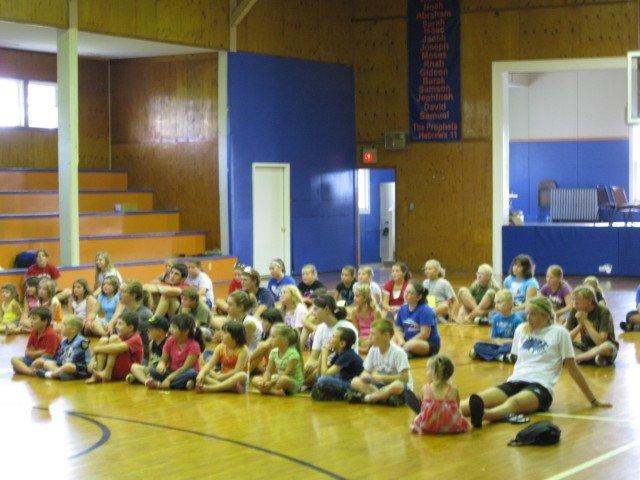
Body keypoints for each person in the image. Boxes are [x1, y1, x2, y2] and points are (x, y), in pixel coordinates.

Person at [461, 297, 611, 428]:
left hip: (541, 387)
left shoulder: (560, 333)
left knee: (514, 403)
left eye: (532, 314)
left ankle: (485, 415)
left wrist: (593, 400)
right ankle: (446, 410)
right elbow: (516, 358)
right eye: (527, 313)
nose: (528, 318)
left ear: (545, 315)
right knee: (477, 399)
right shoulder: (521, 329)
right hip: (515, 382)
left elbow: (573, 369)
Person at [346, 319, 412, 406]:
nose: (369, 337)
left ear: (386, 336)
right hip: (381, 387)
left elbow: (404, 378)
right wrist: (365, 376)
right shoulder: (373, 350)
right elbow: (365, 371)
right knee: (355, 381)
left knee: (397, 385)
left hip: (398, 389)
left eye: (373, 334)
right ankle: (383, 399)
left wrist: (380, 377)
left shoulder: (398, 352)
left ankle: (369, 398)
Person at [304, 294, 358, 385]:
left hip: (341, 369)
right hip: (324, 364)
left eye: (316, 309)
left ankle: (304, 384)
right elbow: (313, 358)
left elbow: (346, 359)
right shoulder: (320, 328)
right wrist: (307, 367)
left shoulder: (346, 328)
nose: (312, 312)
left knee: (317, 377)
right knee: (300, 372)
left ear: (326, 309)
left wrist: (318, 364)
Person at [410, 355, 470, 434]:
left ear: (434, 373)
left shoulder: (425, 389)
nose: (426, 372)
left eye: (427, 369)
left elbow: (422, 408)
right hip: (452, 427)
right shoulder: (454, 390)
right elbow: (458, 409)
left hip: (428, 426)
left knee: (417, 417)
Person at [144, 314, 203, 390]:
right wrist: (161, 365)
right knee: (153, 370)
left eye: (174, 328)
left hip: (184, 373)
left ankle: (161, 385)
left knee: (192, 373)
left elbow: (184, 368)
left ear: (185, 331)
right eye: (171, 327)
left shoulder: (194, 346)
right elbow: (163, 359)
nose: (171, 330)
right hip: (172, 371)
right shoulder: (170, 340)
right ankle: (182, 384)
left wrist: (168, 379)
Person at [566, 286, 618, 366]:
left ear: (590, 301)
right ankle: (592, 359)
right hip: (585, 348)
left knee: (606, 348)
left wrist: (585, 322)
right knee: (559, 345)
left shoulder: (603, 312)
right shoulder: (574, 310)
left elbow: (600, 342)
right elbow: (567, 339)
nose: (574, 304)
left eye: (578, 300)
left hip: (604, 348)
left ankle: (577, 359)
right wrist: (580, 325)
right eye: (573, 300)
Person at [86, 312, 143, 383]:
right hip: (115, 371)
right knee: (104, 340)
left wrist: (96, 349)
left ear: (131, 327)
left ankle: (107, 372)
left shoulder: (136, 339)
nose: (116, 326)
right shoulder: (121, 336)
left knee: (113, 339)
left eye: (120, 324)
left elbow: (117, 348)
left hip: (128, 373)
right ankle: (97, 375)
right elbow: (104, 347)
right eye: (116, 324)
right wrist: (93, 359)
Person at [469, 289, 523, 362]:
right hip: (497, 345)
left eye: (499, 302)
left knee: (507, 348)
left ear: (510, 304)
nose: (496, 305)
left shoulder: (517, 320)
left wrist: (504, 341)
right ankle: (501, 357)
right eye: (495, 303)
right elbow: (494, 338)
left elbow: (519, 341)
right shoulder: (495, 318)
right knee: (477, 345)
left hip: (509, 345)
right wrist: (495, 341)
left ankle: (483, 355)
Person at [311, 327, 364, 401]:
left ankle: (345, 394)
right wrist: (322, 355)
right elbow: (320, 373)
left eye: (333, 337)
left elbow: (325, 374)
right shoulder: (339, 353)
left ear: (342, 343)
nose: (330, 339)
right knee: (318, 378)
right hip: (342, 380)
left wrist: (325, 354)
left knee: (323, 380)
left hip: (352, 384)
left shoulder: (348, 355)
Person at [32, 314, 91, 381]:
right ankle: (62, 375)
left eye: (64, 324)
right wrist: (46, 361)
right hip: (64, 366)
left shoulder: (83, 341)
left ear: (73, 330)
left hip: (80, 369)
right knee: (46, 363)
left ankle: (49, 374)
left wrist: (60, 365)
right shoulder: (64, 341)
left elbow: (74, 361)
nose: (60, 326)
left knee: (68, 366)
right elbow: (59, 358)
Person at [196, 320, 249, 393]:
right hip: (222, 377)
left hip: (235, 379)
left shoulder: (243, 350)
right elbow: (210, 364)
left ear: (235, 337)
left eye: (225, 333)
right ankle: (229, 388)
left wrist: (219, 377)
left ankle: (211, 388)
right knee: (202, 373)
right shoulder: (220, 347)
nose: (221, 334)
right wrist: (201, 373)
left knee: (242, 375)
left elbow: (237, 371)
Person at [252, 324, 304, 396]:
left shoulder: (293, 354)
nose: (270, 339)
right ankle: (274, 391)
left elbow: (286, 374)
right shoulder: (274, 352)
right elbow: (268, 371)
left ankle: (270, 391)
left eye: (273, 337)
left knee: (283, 380)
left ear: (284, 340)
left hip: (292, 382)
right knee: (255, 379)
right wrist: (264, 381)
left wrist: (270, 383)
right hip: (277, 379)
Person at [109, 280, 154, 360]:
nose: (119, 294)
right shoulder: (126, 309)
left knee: (108, 347)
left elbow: (129, 339)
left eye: (123, 292)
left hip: (138, 355)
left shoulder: (144, 314)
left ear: (133, 295)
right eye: (120, 291)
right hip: (126, 347)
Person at [394, 280, 440, 357]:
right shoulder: (402, 309)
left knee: (412, 345)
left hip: (426, 343)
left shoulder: (425, 310)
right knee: (391, 339)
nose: (406, 294)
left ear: (418, 297)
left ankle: (402, 352)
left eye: (410, 293)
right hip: (407, 341)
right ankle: (403, 351)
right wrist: (401, 341)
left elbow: (424, 334)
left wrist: (408, 343)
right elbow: (398, 329)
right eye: (405, 291)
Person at [11, 307, 60, 376]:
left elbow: (49, 356)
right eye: (31, 318)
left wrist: (34, 354)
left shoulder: (51, 335)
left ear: (45, 321)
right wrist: (41, 352)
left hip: (47, 361)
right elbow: (27, 352)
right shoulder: (34, 332)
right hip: (34, 359)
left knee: (37, 362)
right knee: (14, 360)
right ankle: (31, 372)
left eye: (34, 319)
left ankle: (27, 370)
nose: (31, 321)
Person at [126, 316, 169, 384]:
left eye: (151, 329)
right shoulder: (151, 344)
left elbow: (168, 364)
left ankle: (147, 380)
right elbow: (150, 362)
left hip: (163, 372)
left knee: (134, 370)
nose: (147, 331)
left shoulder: (168, 343)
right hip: (152, 370)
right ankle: (147, 381)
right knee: (132, 372)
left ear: (160, 331)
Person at [349, 284, 382, 354]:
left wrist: (368, 340)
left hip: (373, 337)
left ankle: (364, 350)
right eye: (354, 296)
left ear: (365, 298)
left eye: (357, 296)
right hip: (361, 339)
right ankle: (363, 350)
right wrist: (358, 341)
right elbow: (356, 331)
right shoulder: (354, 312)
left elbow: (377, 331)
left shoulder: (376, 312)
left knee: (373, 342)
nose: (354, 298)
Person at [249, 308, 284, 374]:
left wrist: (246, 359)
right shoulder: (267, 333)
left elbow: (263, 347)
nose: (261, 323)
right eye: (261, 320)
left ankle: (244, 372)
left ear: (273, 322)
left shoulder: (279, 332)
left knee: (262, 346)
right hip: (272, 365)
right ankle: (245, 372)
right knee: (261, 345)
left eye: (265, 321)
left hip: (281, 367)